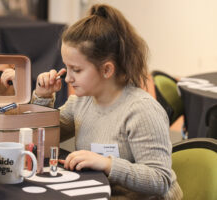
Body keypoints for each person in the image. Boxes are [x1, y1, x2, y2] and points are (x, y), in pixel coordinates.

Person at [31, 4, 183, 199]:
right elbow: (39, 140)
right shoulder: (80, 102)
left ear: (107, 70)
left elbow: (160, 180)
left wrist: (108, 164)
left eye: (76, 70)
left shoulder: (142, 111)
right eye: (66, 68)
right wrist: (42, 98)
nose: (67, 78)